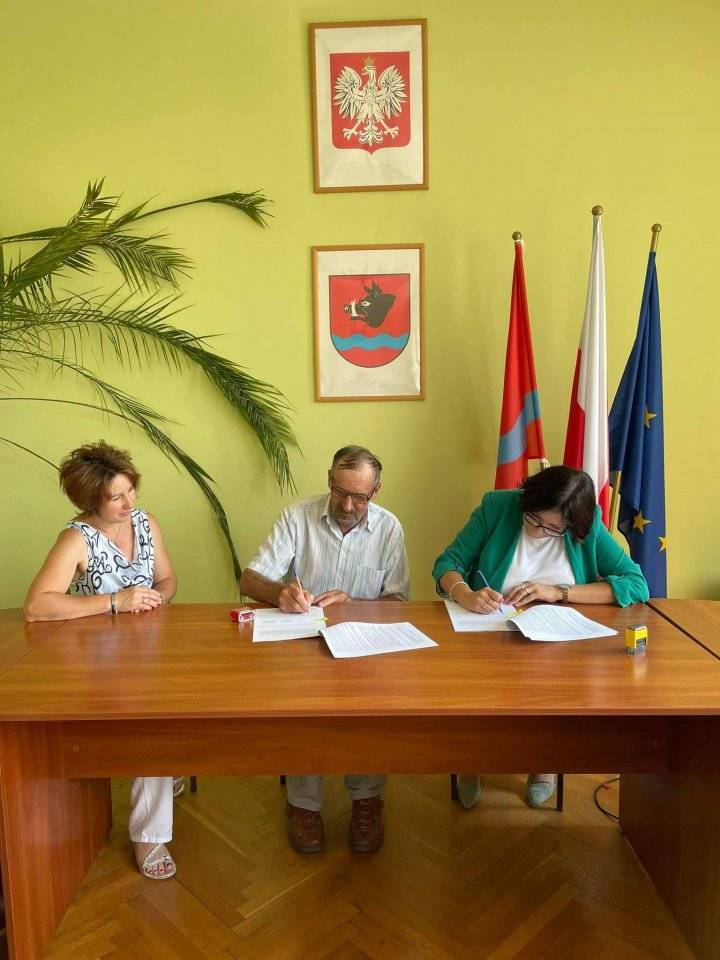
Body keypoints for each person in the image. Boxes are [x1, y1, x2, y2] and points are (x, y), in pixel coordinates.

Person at [432, 465, 649, 810]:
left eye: (552, 528)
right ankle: (472, 762)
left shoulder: (588, 524)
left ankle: (543, 764)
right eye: (533, 520)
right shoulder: (498, 506)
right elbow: (448, 562)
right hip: (490, 633)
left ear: (573, 525)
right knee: (476, 692)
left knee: (555, 688)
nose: (538, 531)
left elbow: (635, 583)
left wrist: (559, 592)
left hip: (559, 642)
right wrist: (465, 594)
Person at [239, 445, 410, 854]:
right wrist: (280, 592)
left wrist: (355, 604)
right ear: (329, 480)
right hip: (304, 644)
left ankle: (367, 799)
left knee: (373, 705)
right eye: (340, 492)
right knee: (301, 705)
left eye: (359, 497)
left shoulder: (389, 528)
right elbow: (249, 579)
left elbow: (398, 602)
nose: (347, 505)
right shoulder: (297, 516)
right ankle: (303, 804)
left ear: (376, 491)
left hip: (363, 644)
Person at [24, 441, 179, 880]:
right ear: (91, 500)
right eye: (116, 497)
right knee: (151, 727)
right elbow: (37, 606)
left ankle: (167, 766)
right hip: (97, 666)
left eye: (131, 490)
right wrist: (116, 602)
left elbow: (168, 579)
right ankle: (150, 834)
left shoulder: (146, 522)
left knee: (185, 704)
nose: (129, 503)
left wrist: (157, 599)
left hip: (151, 652)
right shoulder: (76, 538)